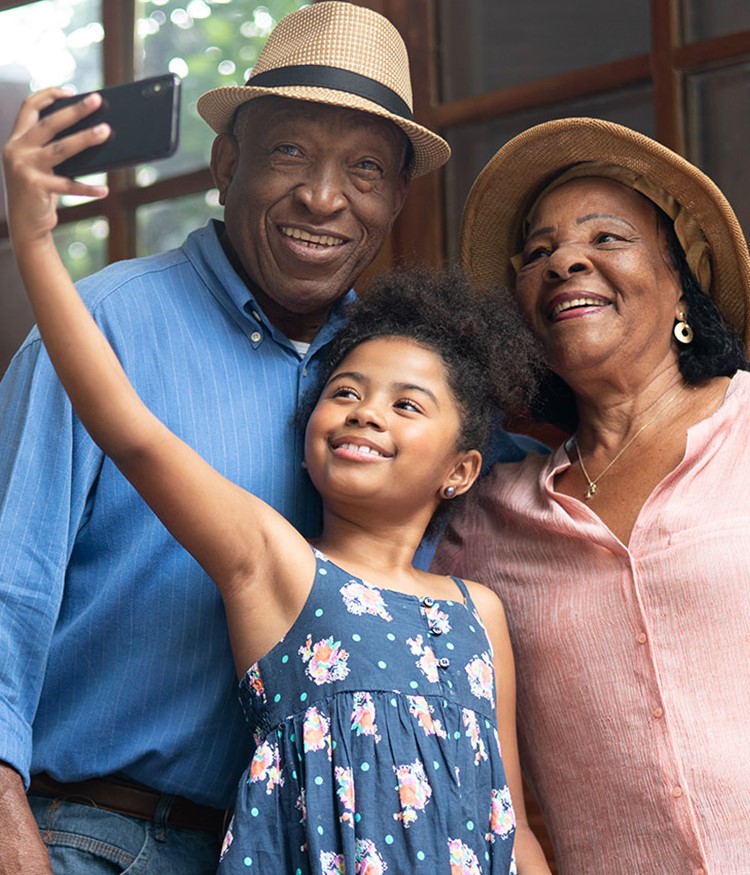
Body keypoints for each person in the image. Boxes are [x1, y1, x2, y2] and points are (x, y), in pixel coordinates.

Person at [0, 4, 541, 873]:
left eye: (364, 168)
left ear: (396, 199)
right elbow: (8, 586)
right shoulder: (105, 329)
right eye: (290, 151)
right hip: (94, 837)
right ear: (226, 162)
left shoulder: (413, 385)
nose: (324, 196)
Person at [432, 116, 750, 874]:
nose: (565, 260)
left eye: (606, 238)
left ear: (683, 281)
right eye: (538, 253)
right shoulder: (485, 520)